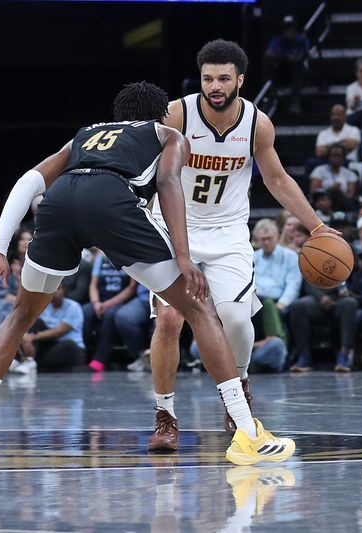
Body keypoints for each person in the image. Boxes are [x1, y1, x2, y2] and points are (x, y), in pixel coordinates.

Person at [0, 81, 299, 467]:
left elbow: (30, 181)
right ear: (161, 114)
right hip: (113, 203)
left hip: (60, 203)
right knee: (198, 311)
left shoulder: (87, 133)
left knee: (20, 315)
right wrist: (183, 257)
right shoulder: (169, 134)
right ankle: (246, 433)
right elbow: (168, 183)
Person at [141, 40, 338, 451]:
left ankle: (239, 390)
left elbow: (278, 180)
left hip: (228, 232)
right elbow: (141, 165)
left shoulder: (257, 124)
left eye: (223, 79)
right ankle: (165, 417)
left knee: (233, 319)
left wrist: (318, 227)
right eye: (208, 78)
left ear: (240, 81)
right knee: (170, 321)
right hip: (173, 227)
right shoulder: (176, 114)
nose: (215, 86)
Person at [12, 285, 86, 374]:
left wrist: (34, 337)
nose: (55, 292)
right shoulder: (44, 306)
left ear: (64, 290)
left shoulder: (73, 307)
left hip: (69, 347)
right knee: (36, 322)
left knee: (69, 345)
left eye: (58, 289)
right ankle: (29, 360)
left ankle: (28, 361)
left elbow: (59, 332)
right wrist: (25, 340)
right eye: (52, 289)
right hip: (49, 344)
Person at [252, 219, 301, 316]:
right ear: (258, 240)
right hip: (255, 302)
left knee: (269, 307)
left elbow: (293, 285)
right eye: (263, 239)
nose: (266, 242)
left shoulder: (290, 256)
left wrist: (282, 304)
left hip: (278, 301)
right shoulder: (253, 256)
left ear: (277, 237)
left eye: (269, 238)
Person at [263, 15, 310, 114]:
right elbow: (268, 53)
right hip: (282, 71)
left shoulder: (301, 40)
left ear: (295, 28)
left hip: (299, 72)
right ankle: (269, 96)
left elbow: (305, 53)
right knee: (269, 63)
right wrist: (285, 56)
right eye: (286, 28)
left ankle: (295, 101)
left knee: (297, 65)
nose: (289, 30)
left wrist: (295, 57)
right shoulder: (277, 40)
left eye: (291, 27)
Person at [310, 144, 358, 210]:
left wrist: (338, 191)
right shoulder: (319, 170)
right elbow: (314, 191)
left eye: (339, 156)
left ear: (344, 158)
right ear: (328, 156)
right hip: (323, 202)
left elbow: (350, 195)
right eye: (333, 155)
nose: (336, 158)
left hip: (343, 203)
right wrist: (330, 189)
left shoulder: (350, 174)